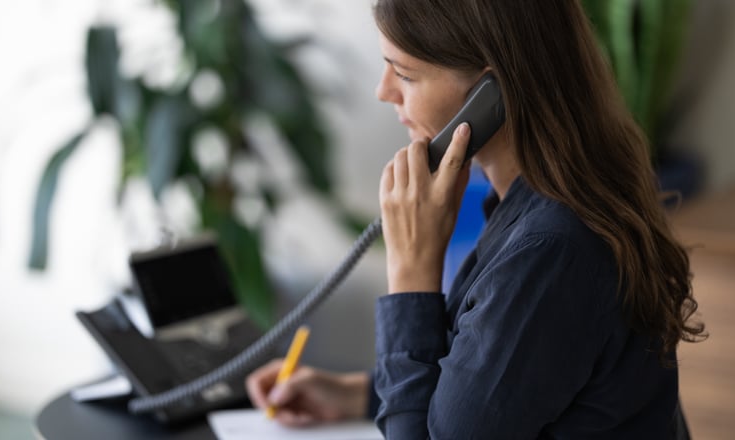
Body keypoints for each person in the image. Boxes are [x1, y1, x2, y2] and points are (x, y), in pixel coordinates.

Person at [246, 0, 706, 438]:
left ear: (493, 94)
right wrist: (353, 395)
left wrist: (411, 273)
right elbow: (491, 388)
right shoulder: (537, 208)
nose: (383, 90)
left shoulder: (550, 250)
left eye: (404, 73)